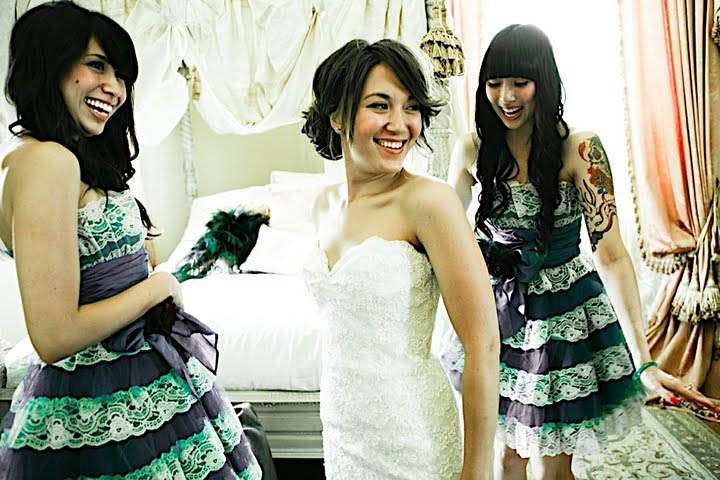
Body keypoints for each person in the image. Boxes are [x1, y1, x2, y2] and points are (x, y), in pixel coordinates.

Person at [0, 2, 273, 478]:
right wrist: (159, 286)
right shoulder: (47, 161)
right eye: (97, 65)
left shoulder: (57, 158)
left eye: (121, 76)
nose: (115, 88)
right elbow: (54, 335)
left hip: (139, 374)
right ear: (50, 63)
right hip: (102, 391)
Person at [444, 23, 720, 480]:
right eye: (495, 83)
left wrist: (645, 359)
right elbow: (444, 233)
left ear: (544, 82)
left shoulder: (580, 148)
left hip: (564, 317)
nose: (506, 97)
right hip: (499, 312)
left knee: (553, 468)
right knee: (507, 457)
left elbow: (611, 255)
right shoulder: (472, 148)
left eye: (519, 82)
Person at [300, 38, 500, 480]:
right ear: (337, 115)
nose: (400, 124)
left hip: (412, 437)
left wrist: (477, 471)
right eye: (380, 105)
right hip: (342, 427)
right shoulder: (323, 204)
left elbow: (483, 345)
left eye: (411, 108)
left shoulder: (430, 202)